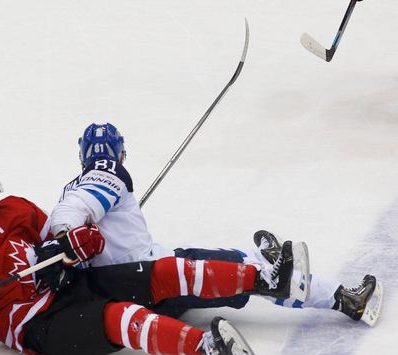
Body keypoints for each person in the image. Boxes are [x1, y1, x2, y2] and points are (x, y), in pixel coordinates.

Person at [0, 163, 307, 355]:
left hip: (69, 286)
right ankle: (208, 345)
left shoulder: (17, 209)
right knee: (119, 315)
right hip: (38, 326)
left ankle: (265, 279)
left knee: (162, 271)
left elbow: (55, 245)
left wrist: (78, 243)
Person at [46, 123, 383, 326]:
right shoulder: (108, 171)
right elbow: (76, 210)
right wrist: (65, 233)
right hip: (156, 280)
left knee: (232, 258)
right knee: (261, 280)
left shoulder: (70, 188)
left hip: (142, 279)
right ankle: (347, 301)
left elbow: (71, 217)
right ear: (121, 153)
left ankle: (260, 257)